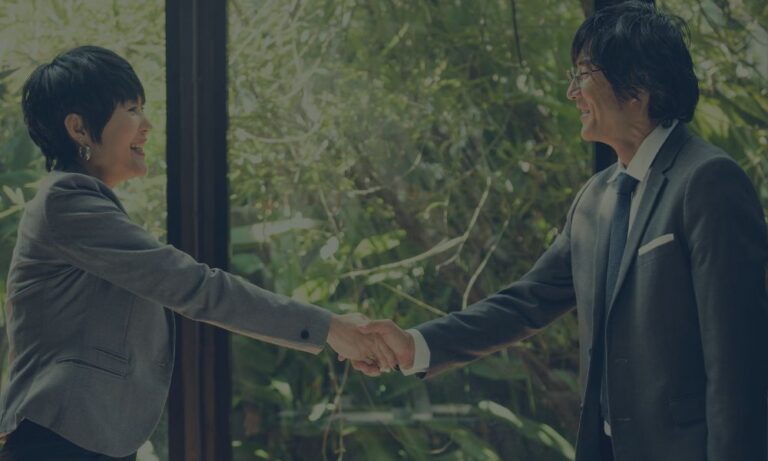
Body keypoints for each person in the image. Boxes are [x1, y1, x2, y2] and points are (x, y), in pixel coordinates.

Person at [346, 2, 768, 460]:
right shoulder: (596, 196)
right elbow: (526, 302)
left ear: (638, 87)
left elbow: (737, 364)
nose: (571, 92)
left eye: (583, 74)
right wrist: (415, 346)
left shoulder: (708, 182)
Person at [0, 46, 395, 460]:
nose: (147, 125)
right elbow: (195, 286)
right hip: (59, 441)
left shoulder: (85, 207)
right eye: (132, 110)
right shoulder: (67, 202)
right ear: (79, 128)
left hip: (81, 439)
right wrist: (329, 327)